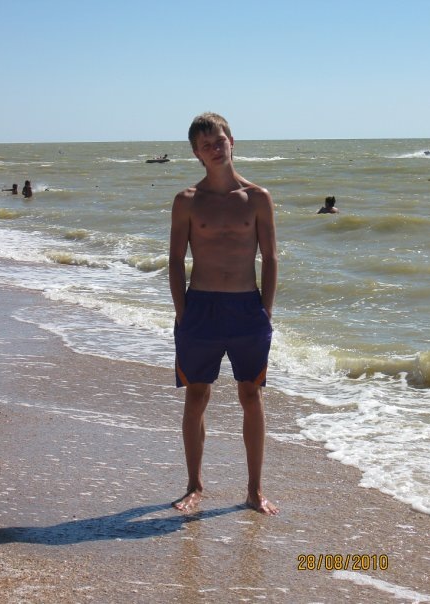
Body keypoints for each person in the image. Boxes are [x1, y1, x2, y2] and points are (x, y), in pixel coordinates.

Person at [169, 112, 279, 515]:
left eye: (219, 141)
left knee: (251, 393)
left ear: (232, 140)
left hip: (246, 308)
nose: (215, 149)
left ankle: (254, 490)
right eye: (206, 146)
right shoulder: (186, 201)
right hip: (200, 308)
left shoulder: (258, 198)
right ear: (197, 154)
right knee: (197, 394)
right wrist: (182, 311)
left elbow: (270, 257)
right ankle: (194, 485)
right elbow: (176, 259)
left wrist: (265, 310)